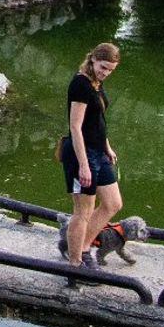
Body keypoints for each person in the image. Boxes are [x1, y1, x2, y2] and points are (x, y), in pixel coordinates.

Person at [60, 42, 123, 267]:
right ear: (94, 59)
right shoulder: (81, 84)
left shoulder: (96, 83)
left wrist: (106, 146)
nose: (105, 73)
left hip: (98, 151)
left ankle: (82, 245)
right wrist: (84, 165)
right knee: (83, 211)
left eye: (110, 70)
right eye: (103, 67)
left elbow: (96, 121)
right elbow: (76, 127)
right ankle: (76, 264)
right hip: (81, 154)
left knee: (113, 204)